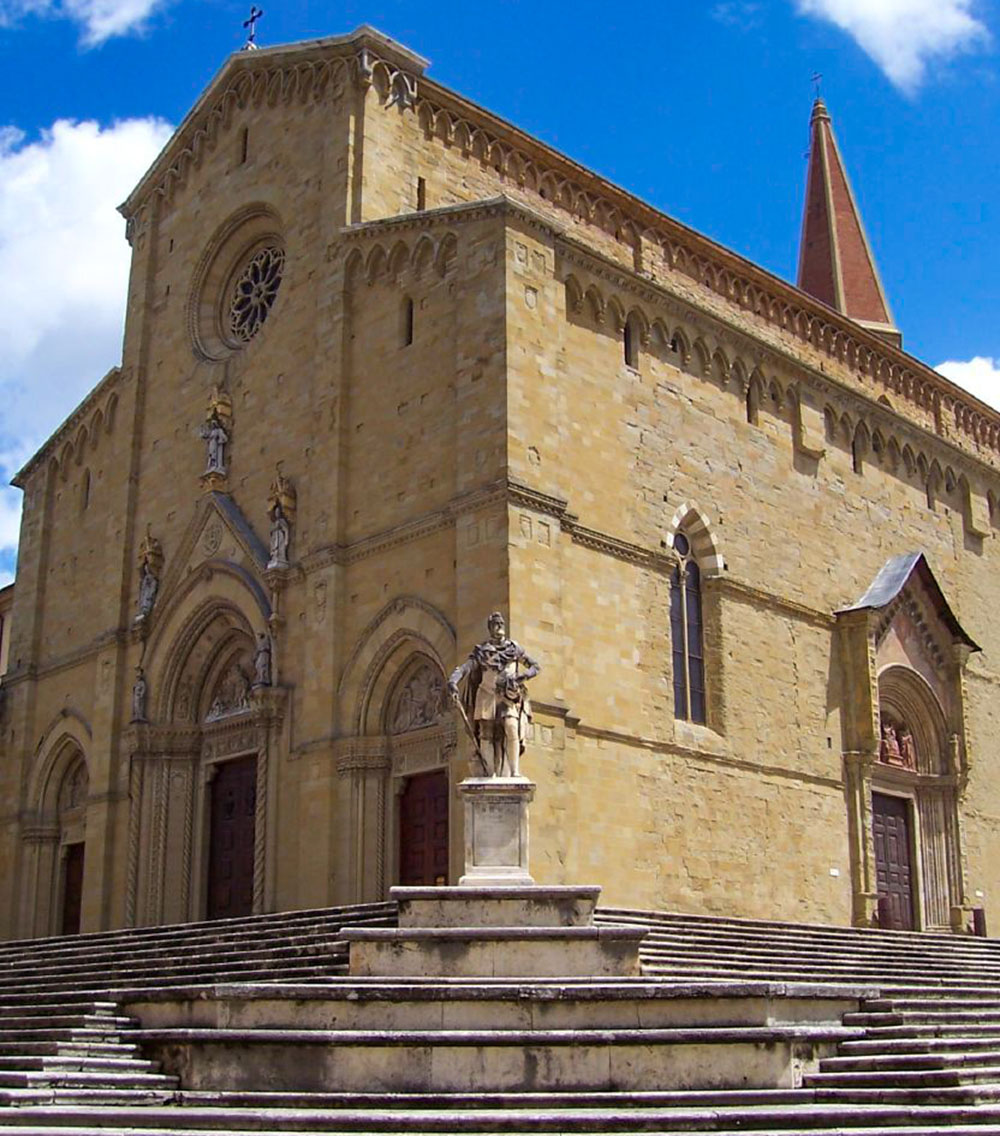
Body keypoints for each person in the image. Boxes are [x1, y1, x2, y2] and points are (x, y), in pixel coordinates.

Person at [448, 611, 540, 777]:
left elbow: (535, 667)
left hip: (507, 696)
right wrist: (453, 681)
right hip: (486, 694)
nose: (499, 627)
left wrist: (522, 677)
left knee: (512, 728)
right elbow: (464, 669)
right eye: (495, 624)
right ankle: (490, 775)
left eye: (501, 624)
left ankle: (514, 772)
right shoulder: (483, 651)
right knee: (486, 733)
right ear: (490, 628)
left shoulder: (514, 649)